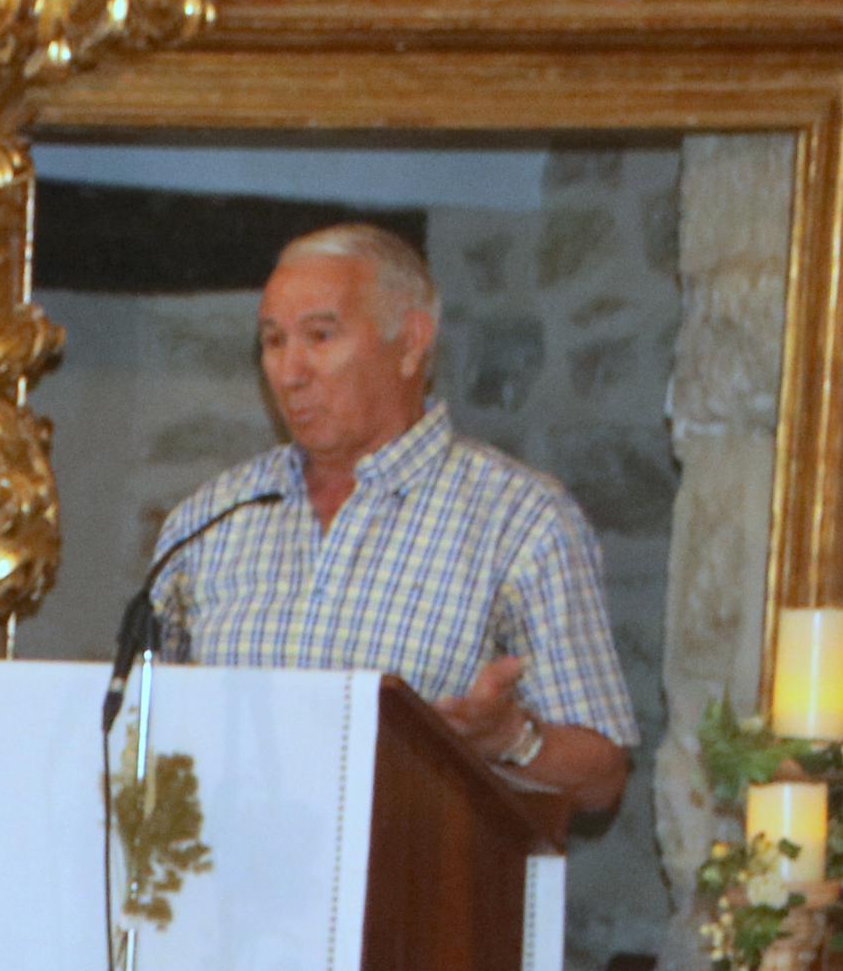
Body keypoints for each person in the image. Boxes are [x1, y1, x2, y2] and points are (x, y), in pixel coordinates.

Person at [147, 221, 636, 816]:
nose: (290, 370)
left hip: (418, 895)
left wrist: (511, 739)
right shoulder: (210, 520)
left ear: (410, 344)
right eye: (273, 341)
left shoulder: (521, 521)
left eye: (320, 337)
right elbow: (142, 734)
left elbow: (601, 777)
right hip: (223, 894)